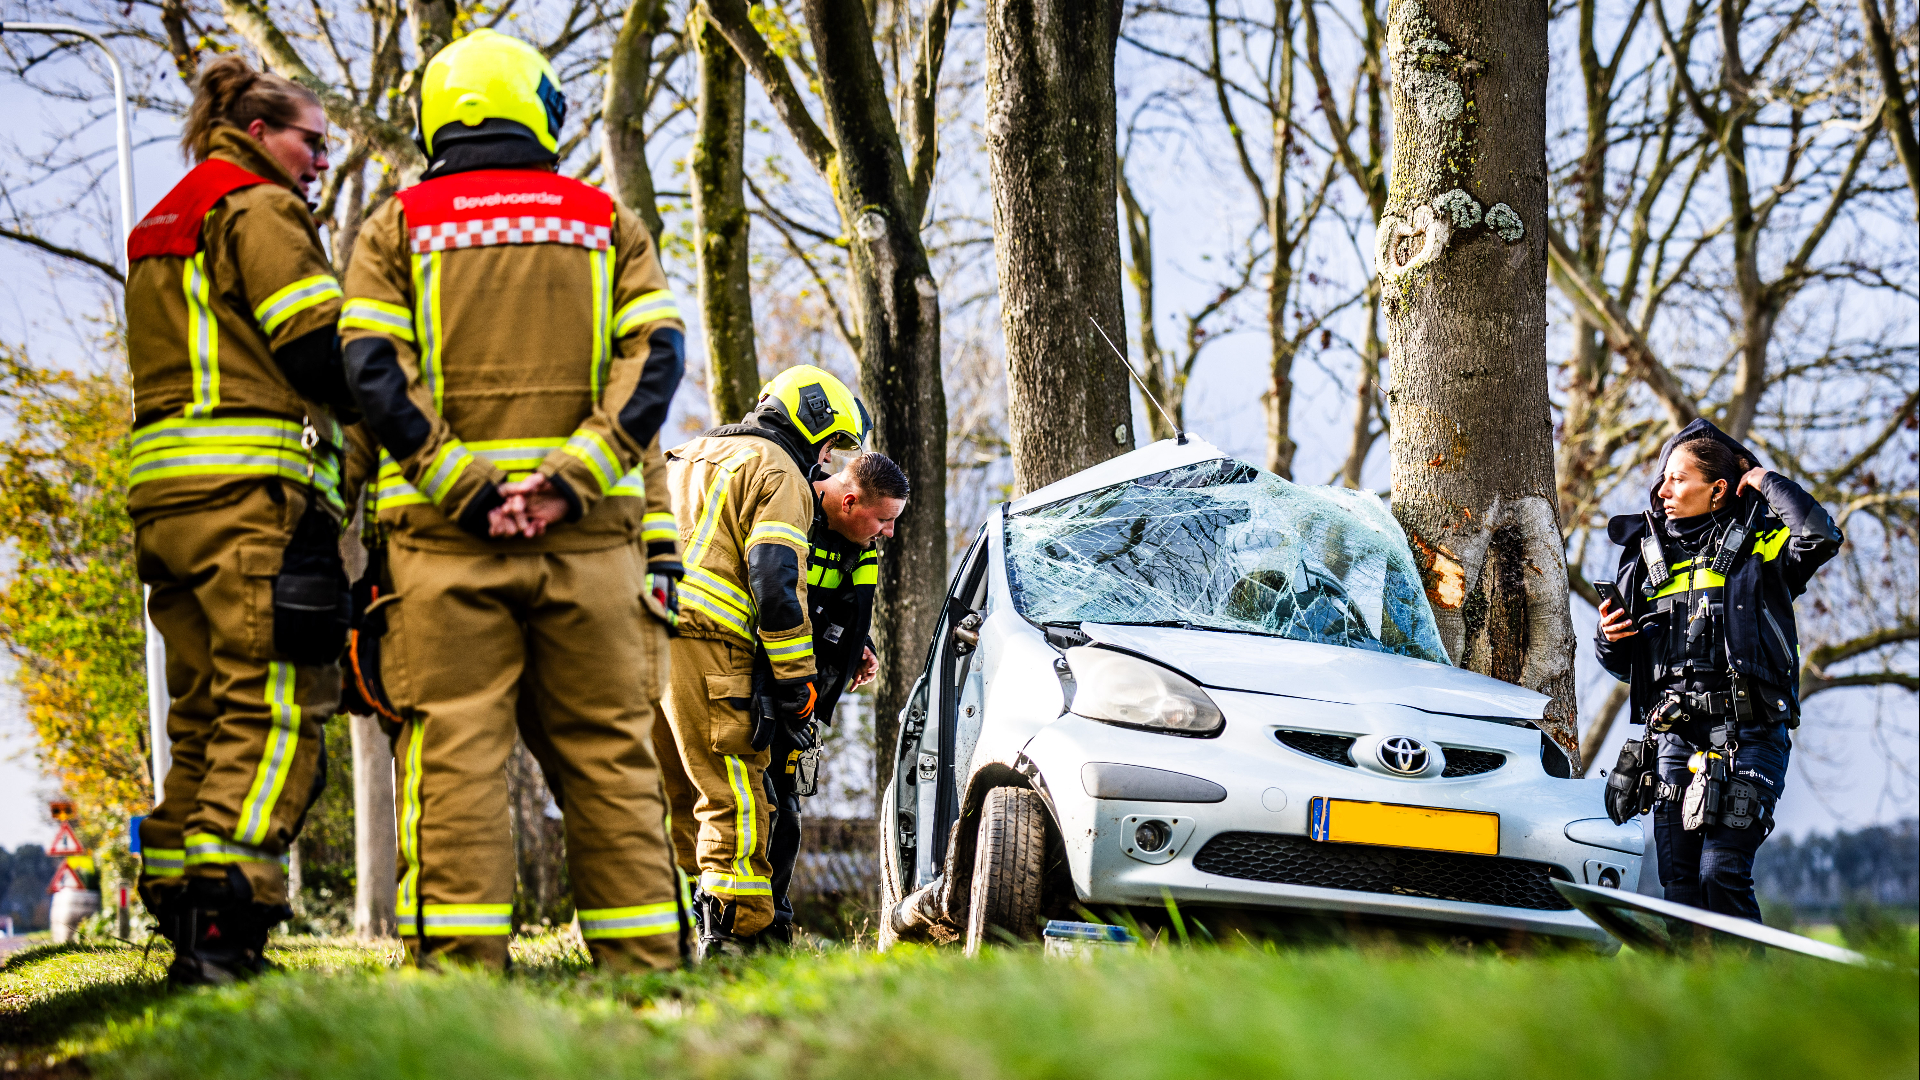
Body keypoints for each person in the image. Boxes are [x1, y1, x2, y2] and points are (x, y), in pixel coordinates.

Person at [339, 28, 687, 972]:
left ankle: (461, 988)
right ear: (536, 106)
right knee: (612, 759)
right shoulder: (605, 221)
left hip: (444, 548)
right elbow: (654, 362)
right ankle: (645, 979)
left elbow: (372, 373)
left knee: (453, 761)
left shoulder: (394, 229)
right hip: (593, 547)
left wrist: (467, 487)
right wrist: (572, 481)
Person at [127, 54, 360, 984]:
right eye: (312, 140)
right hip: (247, 499)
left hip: (169, 501)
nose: (321, 161)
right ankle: (228, 926)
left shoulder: (169, 217)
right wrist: (397, 402)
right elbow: (314, 344)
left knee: (201, 716)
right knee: (271, 707)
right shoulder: (259, 208)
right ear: (259, 132)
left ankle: (185, 914)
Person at [657, 365, 871, 956]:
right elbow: (777, 584)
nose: (828, 460)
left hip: (634, 646)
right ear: (816, 427)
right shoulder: (779, 472)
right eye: (832, 448)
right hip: (708, 646)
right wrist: (797, 680)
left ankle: (680, 928)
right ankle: (740, 941)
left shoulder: (681, 456)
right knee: (734, 793)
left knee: (676, 796)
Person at [1596, 418, 1842, 922]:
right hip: (1673, 740)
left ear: (1718, 490)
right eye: (1663, 478)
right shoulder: (1643, 560)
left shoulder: (1765, 548)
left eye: (1678, 479)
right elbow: (1624, 665)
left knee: (1721, 873)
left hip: (1751, 734)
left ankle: (1749, 996)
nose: (1662, 489)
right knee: (1681, 888)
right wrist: (1609, 641)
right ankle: (1697, 999)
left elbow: (1819, 534)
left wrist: (1765, 481)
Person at [762, 451, 909, 938]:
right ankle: (729, 928)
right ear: (849, 501)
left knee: (786, 818)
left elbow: (835, 605)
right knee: (750, 815)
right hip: (763, 694)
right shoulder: (791, 513)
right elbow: (776, 600)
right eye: (884, 519)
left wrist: (857, 647)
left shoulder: (857, 537)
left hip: (804, 706)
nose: (889, 532)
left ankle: (773, 932)